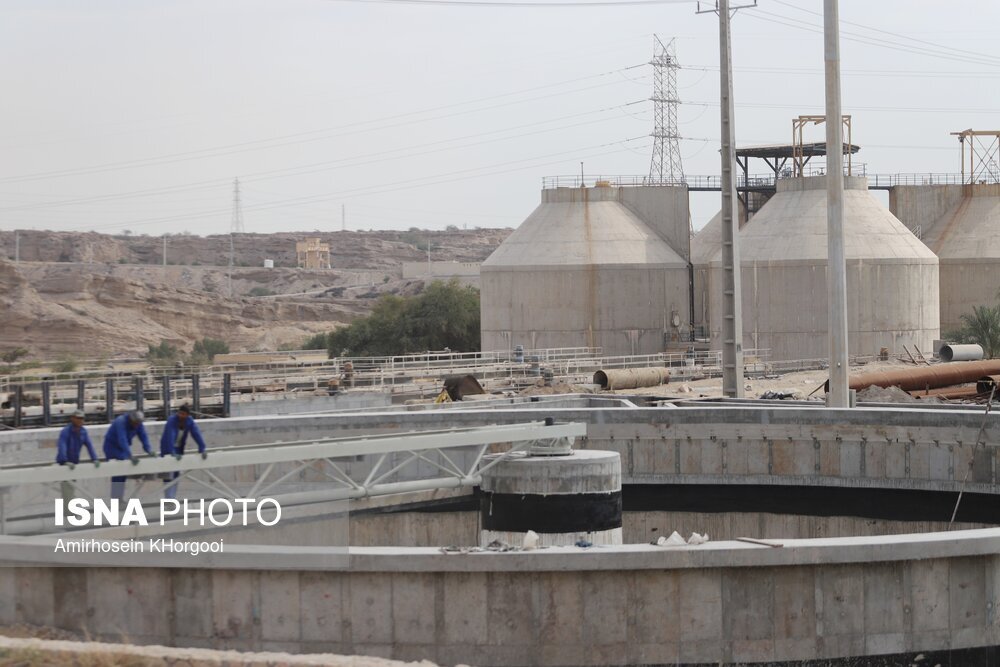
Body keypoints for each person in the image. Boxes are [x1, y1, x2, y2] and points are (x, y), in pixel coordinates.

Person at [159, 404, 207, 499]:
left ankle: (172, 498)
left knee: (176, 475)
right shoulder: (172, 420)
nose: (181, 416)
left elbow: (196, 433)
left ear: (187, 415)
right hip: (167, 449)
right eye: (180, 413)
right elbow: (170, 436)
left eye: (183, 414)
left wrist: (202, 448)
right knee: (168, 475)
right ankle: (169, 499)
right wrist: (172, 452)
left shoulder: (189, 421)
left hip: (179, 449)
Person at [102, 410, 153, 501]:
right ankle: (116, 499)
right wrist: (130, 455)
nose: (136, 425)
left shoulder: (138, 424)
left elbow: (143, 436)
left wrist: (149, 450)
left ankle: (119, 498)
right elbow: (122, 439)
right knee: (118, 471)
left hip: (122, 450)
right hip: (111, 447)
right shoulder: (120, 422)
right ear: (130, 419)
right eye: (135, 423)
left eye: (138, 423)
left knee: (123, 472)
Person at [56, 409, 100, 503]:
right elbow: (62, 446)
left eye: (82, 419)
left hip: (74, 462)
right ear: (72, 419)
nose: (81, 420)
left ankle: (69, 510)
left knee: (72, 487)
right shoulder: (66, 431)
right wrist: (64, 461)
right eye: (78, 418)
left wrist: (95, 459)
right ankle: (68, 511)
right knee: (67, 487)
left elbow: (89, 445)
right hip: (65, 463)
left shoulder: (83, 432)